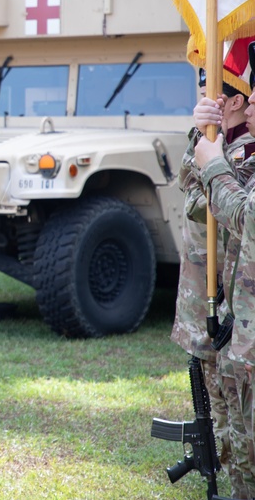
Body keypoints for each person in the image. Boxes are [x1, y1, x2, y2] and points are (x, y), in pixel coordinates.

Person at [174, 72, 255, 498]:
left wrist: (209, 156)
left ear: (234, 100)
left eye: (214, 91)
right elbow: (190, 194)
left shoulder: (244, 152)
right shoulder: (222, 144)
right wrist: (200, 139)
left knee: (234, 424)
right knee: (220, 412)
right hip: (210, 303)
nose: (206, 97)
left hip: (230, 308)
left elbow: (205, 208)